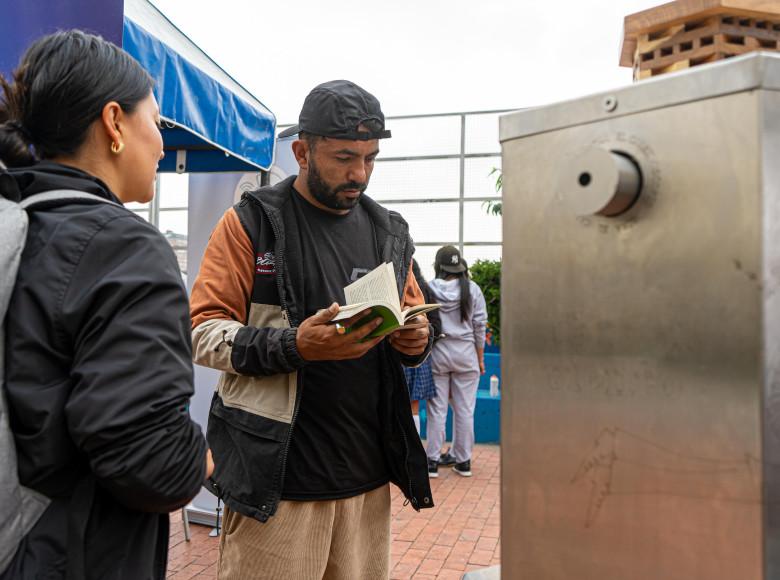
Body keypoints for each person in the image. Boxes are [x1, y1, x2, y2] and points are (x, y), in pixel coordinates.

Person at [189, 80, 434, 580]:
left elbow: (413, 317)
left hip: (367, 482)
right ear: (301, 151)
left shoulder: (390, 232)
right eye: (344, 157)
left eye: (370, 158)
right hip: (277, 485)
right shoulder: (250, 224)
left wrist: (415, 341)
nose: (359, 173)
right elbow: (202, 333)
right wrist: (295, 345)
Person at [0, 31, 211, 580]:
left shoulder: (15, 225)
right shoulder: (124, 249)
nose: (163, 144)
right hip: (75, 555)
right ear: (114, 122)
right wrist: (200, 458)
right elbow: (151, 464)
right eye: (157, 123)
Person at [425, 246, 487, 478]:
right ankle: (463, 461)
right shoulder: (473, 289)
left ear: (438, 266)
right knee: (464, 410)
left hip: (439, 352)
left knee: (437, 409)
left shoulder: (430, 288)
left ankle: (432, 461)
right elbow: (480, 327)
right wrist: (480, 359)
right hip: (466, 354)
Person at [403, 259, 442, 436]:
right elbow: (436, 326)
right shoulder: (426, 291)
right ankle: (415, 451)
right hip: (419, 358)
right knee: (414, 407)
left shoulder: (397, 290)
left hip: (396, 357)